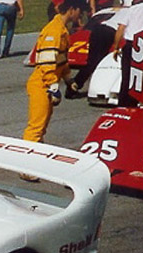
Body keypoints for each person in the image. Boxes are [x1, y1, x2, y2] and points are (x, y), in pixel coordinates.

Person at [21, 0, 87, 180]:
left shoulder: (63, 30)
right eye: (79, 11)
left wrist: (68, 79)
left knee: (41, 128)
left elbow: (61, 60)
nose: (80, 16)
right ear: (72, 10)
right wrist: (53, 86)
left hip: (47, 83)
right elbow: (47, 62)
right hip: (41, 84)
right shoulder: (54, 31)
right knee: (36, 126)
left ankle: (36, 161)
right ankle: (25, 168)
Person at [67, 3, 129, 97]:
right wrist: (116, 46)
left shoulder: (125, 11)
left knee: (93, 62)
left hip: (99, 30)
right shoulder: (134, 12)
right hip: (108, 32)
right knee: (94, 62)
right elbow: (121, 29)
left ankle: (75, 85)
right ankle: (74, 85)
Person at [113, 0, 143, 107]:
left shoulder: (131, 10)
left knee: (127, 76)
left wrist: (116, 47)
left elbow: (121, 29)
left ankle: (124, 104)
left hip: (131, 44)